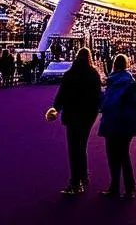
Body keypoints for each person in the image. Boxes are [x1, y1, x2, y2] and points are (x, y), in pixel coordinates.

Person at [47, 47, 103, 196]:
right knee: (82, 145)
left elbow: (62, 94)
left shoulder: (70, 74)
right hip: (88, 115)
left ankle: (75, 182)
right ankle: (83, 177)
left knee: (73, 147)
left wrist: (55, 109)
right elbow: (98, 95)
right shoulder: (93, 74)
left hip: (72, 114)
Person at [98, 54, 136, 200]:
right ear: (127, 64)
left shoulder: (110, 81)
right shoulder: (133, 80)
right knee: (123, 154)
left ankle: (114, 186)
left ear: (114, 64)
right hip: (127, 122)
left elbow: (103, 102)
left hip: (111, 121)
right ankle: (130, 188)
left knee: (112, 155)